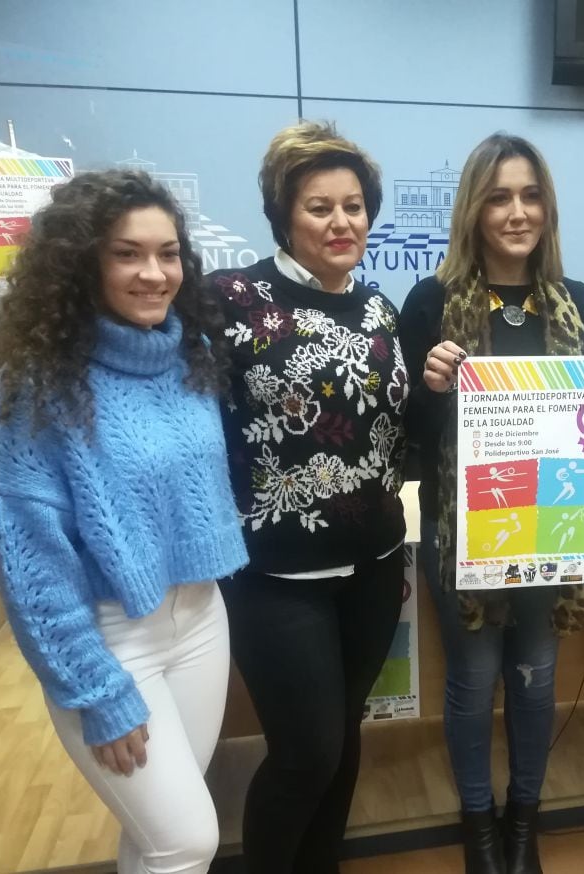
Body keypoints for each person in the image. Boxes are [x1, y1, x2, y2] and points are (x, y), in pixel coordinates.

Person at [399, 132, 584, 874]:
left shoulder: (576, 302)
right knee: (474, 682)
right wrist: (432, 386)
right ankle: (478, 827)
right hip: (469, 536)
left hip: (553, 530)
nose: (517, 212)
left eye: (530, 194)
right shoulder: (431, 302)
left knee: (536, 679)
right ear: (474, 209)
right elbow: (413, 439)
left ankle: (524, 824)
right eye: (499, 197)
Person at [0, 169, 248, 874]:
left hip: (199, 620)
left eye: (169, 254)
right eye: (127, 253)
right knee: (189, 839)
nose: (154, 273)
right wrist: (94, 690)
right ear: (82, 262)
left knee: (158, 839)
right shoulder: (39, 381)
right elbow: (30, 560)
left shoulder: (188, 355)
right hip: (108, 638)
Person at [207, 121, 407, 874]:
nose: (341, 222)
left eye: (354, 205)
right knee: (305, 752)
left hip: (375, 565)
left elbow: (393, 432)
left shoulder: (382, 310)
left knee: (345, 736)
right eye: (319, 206)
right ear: (284, 214)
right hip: (272, 575)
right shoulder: (228, 300)